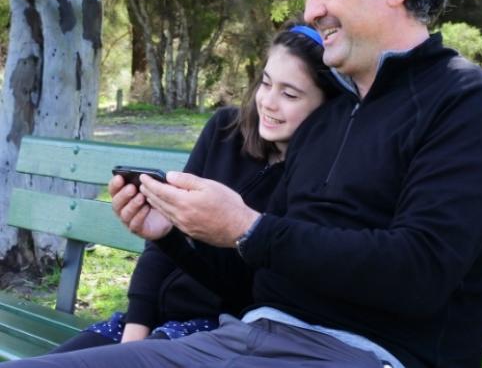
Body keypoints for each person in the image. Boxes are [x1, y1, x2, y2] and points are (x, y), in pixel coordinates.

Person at [4, 0, 482, 368]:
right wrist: (174, 237)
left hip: (369, 356)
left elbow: (420, 274)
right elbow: (257, 282)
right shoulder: (331, 119)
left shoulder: (473, 107)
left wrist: (248, 227)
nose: (311, 10)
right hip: (248, 338)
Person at [49, 22, 338, 352]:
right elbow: (159, 245)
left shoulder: (317, 180)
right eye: (266, 83)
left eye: (289, 94)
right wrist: (135, 327)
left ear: (326, 105)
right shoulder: (224, 132)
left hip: (217, 332)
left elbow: (251, 293)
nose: (268, 103)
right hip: (149, 317)